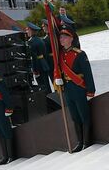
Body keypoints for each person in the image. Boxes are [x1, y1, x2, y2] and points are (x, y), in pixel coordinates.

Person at [53, 22, 96, 152]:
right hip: (68, 89)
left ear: (71, 38)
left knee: (84, 115)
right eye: (60, 37)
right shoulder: (59, 55)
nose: (61, 39)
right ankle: (79, 141)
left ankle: (87, 141)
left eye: (64, 37)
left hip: (79, 88)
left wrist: (90, 91)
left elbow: (88, 74)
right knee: (74, 116)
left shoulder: (80, 54)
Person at [26, 22, 52, 91]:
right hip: (44, 64)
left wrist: (35, 70)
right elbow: (45, 54)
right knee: (47, 84)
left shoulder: (31, 42)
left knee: (42, 86)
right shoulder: (40, 40)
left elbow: (34, 58)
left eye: (27, 30)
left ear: (31, 31)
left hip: (38, 66)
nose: (27, 31)